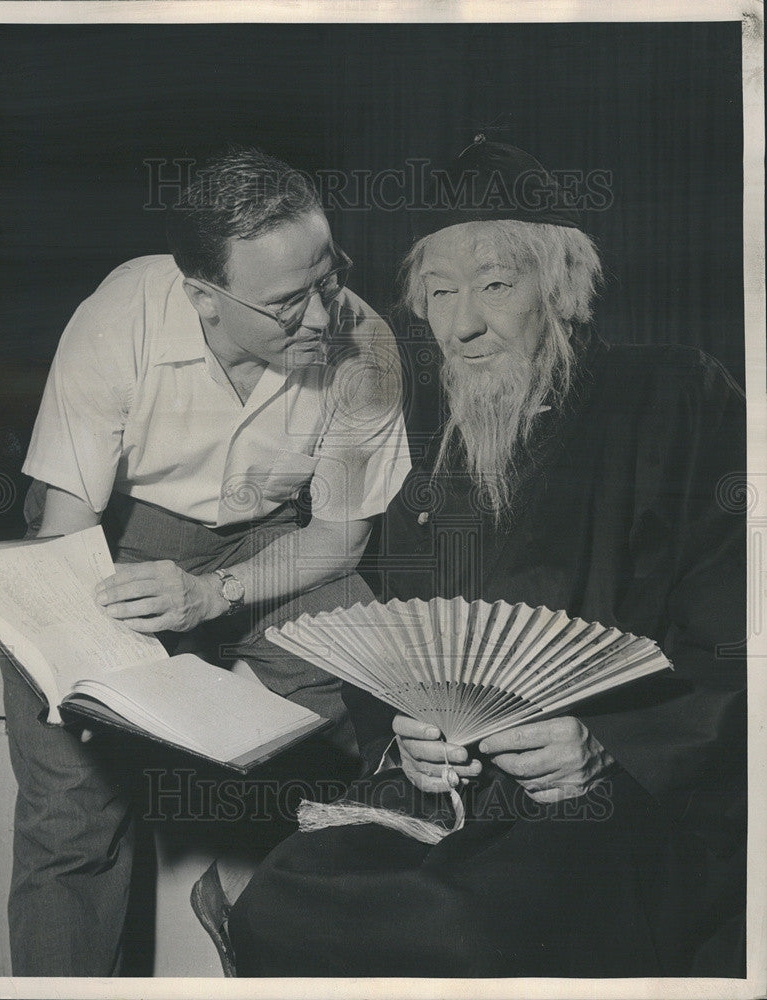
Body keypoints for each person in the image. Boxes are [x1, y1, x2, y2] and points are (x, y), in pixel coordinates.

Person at [212, 139, 746, 977]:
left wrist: (609, 742)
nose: (460, 325)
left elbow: (739, 632)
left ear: (562, 290)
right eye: (438, 292)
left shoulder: (676, 396)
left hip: (620, 792)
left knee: (471, 933)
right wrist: (405, 734)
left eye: (495, 286)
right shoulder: (418, 442)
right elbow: (389, 637)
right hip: (449, 791)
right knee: (278, 906)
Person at [1, 146, 410, 975]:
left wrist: (210, 595)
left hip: (273, 541)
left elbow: (339, 539)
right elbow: (64, 524)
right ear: (204, 299)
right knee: (71, 808)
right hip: (112, 538)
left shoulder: (363, 346)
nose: (324, 319)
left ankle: (302, 946)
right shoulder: (121, 316)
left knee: (374, 694)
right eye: (288, 303)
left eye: (328, 279)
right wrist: (85, 663)